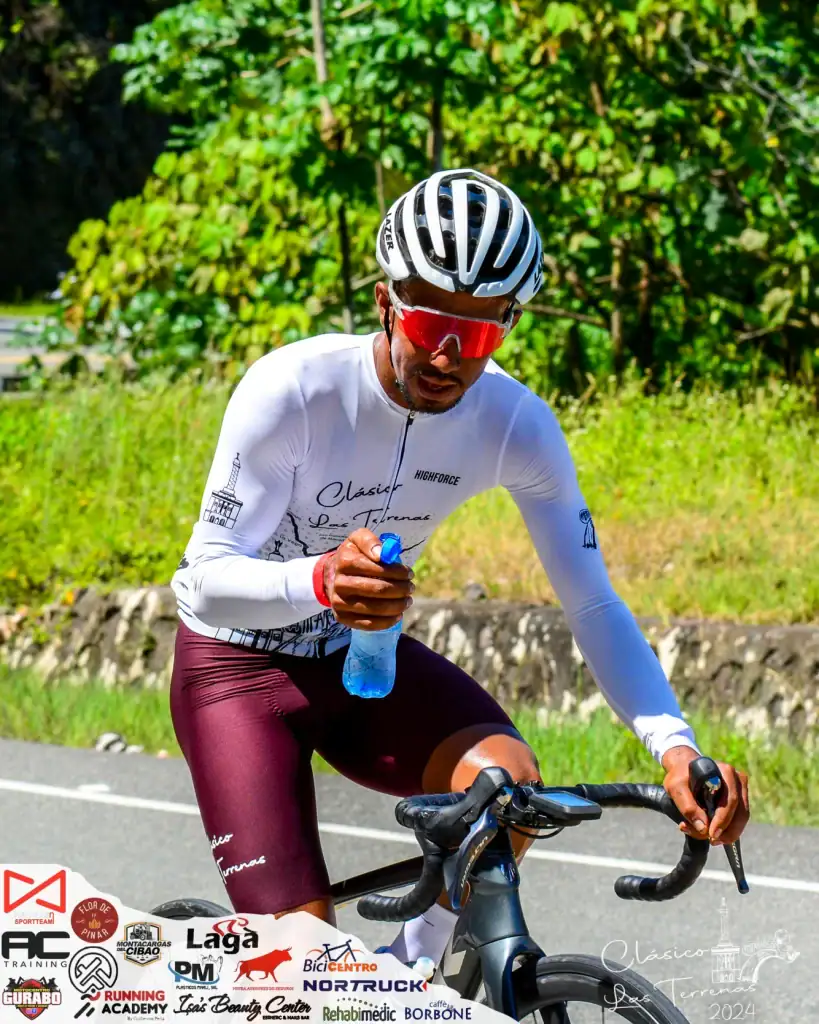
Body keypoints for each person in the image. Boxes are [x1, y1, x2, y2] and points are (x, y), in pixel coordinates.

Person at [170, 168, 750, 968]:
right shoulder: (293, 391)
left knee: (509, 793)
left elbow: (593, 604)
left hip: (357, 664)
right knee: (302, 977)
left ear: (508, 326)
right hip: (236, 673)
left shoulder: (514, 423)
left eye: (476, 333)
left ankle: (411, 972)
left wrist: (675, 746)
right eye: (429, 321)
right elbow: (200, 579)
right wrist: (318, 581)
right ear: (384, 301)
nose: (446, 355)